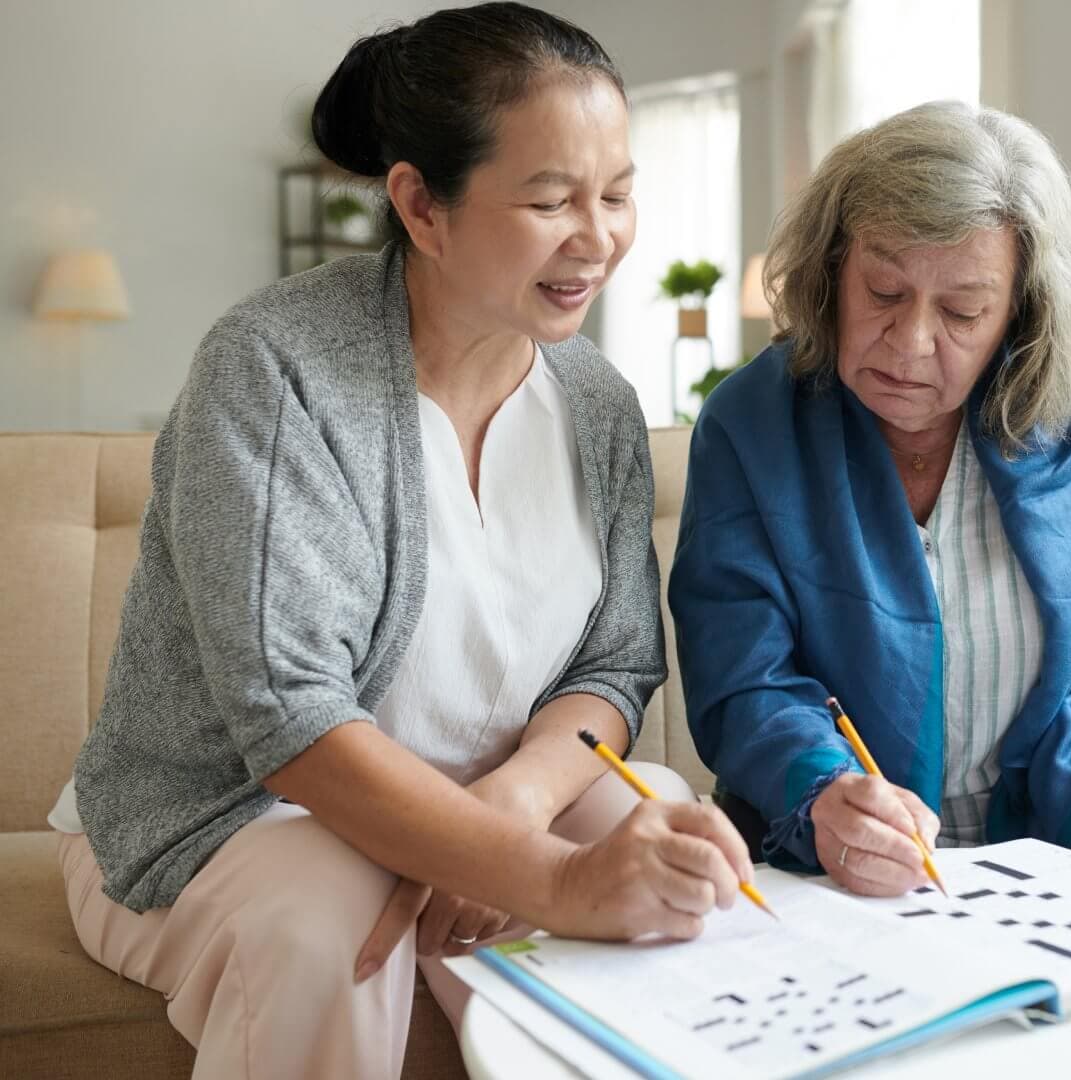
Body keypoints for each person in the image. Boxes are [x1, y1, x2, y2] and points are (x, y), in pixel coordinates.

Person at [49, 6, 753, 1077]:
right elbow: (290, 716)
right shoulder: (277, 367)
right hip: (236, 813)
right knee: (333, 919)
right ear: (421, 203)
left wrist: (508, 814)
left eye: (616, 194)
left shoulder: (597, 401)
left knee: (666, 837)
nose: (597, 237)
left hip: (483, 787)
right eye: (550, 200)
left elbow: (613, 666)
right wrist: (541, 876)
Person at [669, 101, 1071, 899]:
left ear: (1020, 313)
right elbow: (741, 669)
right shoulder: (754, 424)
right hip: (843, 839)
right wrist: (824, 787)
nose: (910, 342)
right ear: (833, 270)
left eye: (963, 312)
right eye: (883, 291)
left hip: (1064, 823)